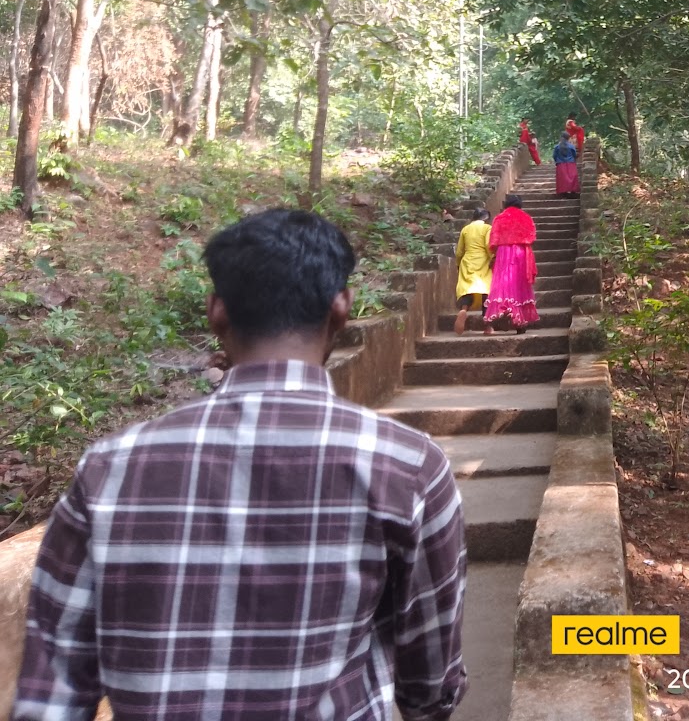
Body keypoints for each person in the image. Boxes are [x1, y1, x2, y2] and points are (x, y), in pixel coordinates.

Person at [13, 209, 468, 721]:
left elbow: (52, 691)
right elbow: (430, 680)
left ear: (216, 311)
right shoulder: (408, 466)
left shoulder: (109, 469)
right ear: (341, 308)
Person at [484, 193, 537, 332]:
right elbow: (532, 236)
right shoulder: (526, 217)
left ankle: (506, 315)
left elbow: (493, 241)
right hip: (521, 252)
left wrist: (495, 253)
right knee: (519, 284)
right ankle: (520, 321)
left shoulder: (499, 218)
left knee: (504, 284)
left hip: (504, 253)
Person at [454, 207, 492, 335]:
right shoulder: (487, 228)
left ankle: (464, 309)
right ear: (486, 218)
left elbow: (459, 251)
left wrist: (459, 264)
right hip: (482, 261)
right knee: (486, 292)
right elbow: (488, 246)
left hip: (467, 261)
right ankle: (487, 326)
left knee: (467, 290)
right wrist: (493, 258)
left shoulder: (465, 229)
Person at [552, 132, 579, 197]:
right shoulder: (571, 146)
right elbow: (574, 155)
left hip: (561, 164)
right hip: (571, 164)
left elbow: (554, 155)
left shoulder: (557, 147)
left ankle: (563, 193)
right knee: (572, 177)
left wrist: (557, 162)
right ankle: (573, 192)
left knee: (562, 179)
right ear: (568, 138)